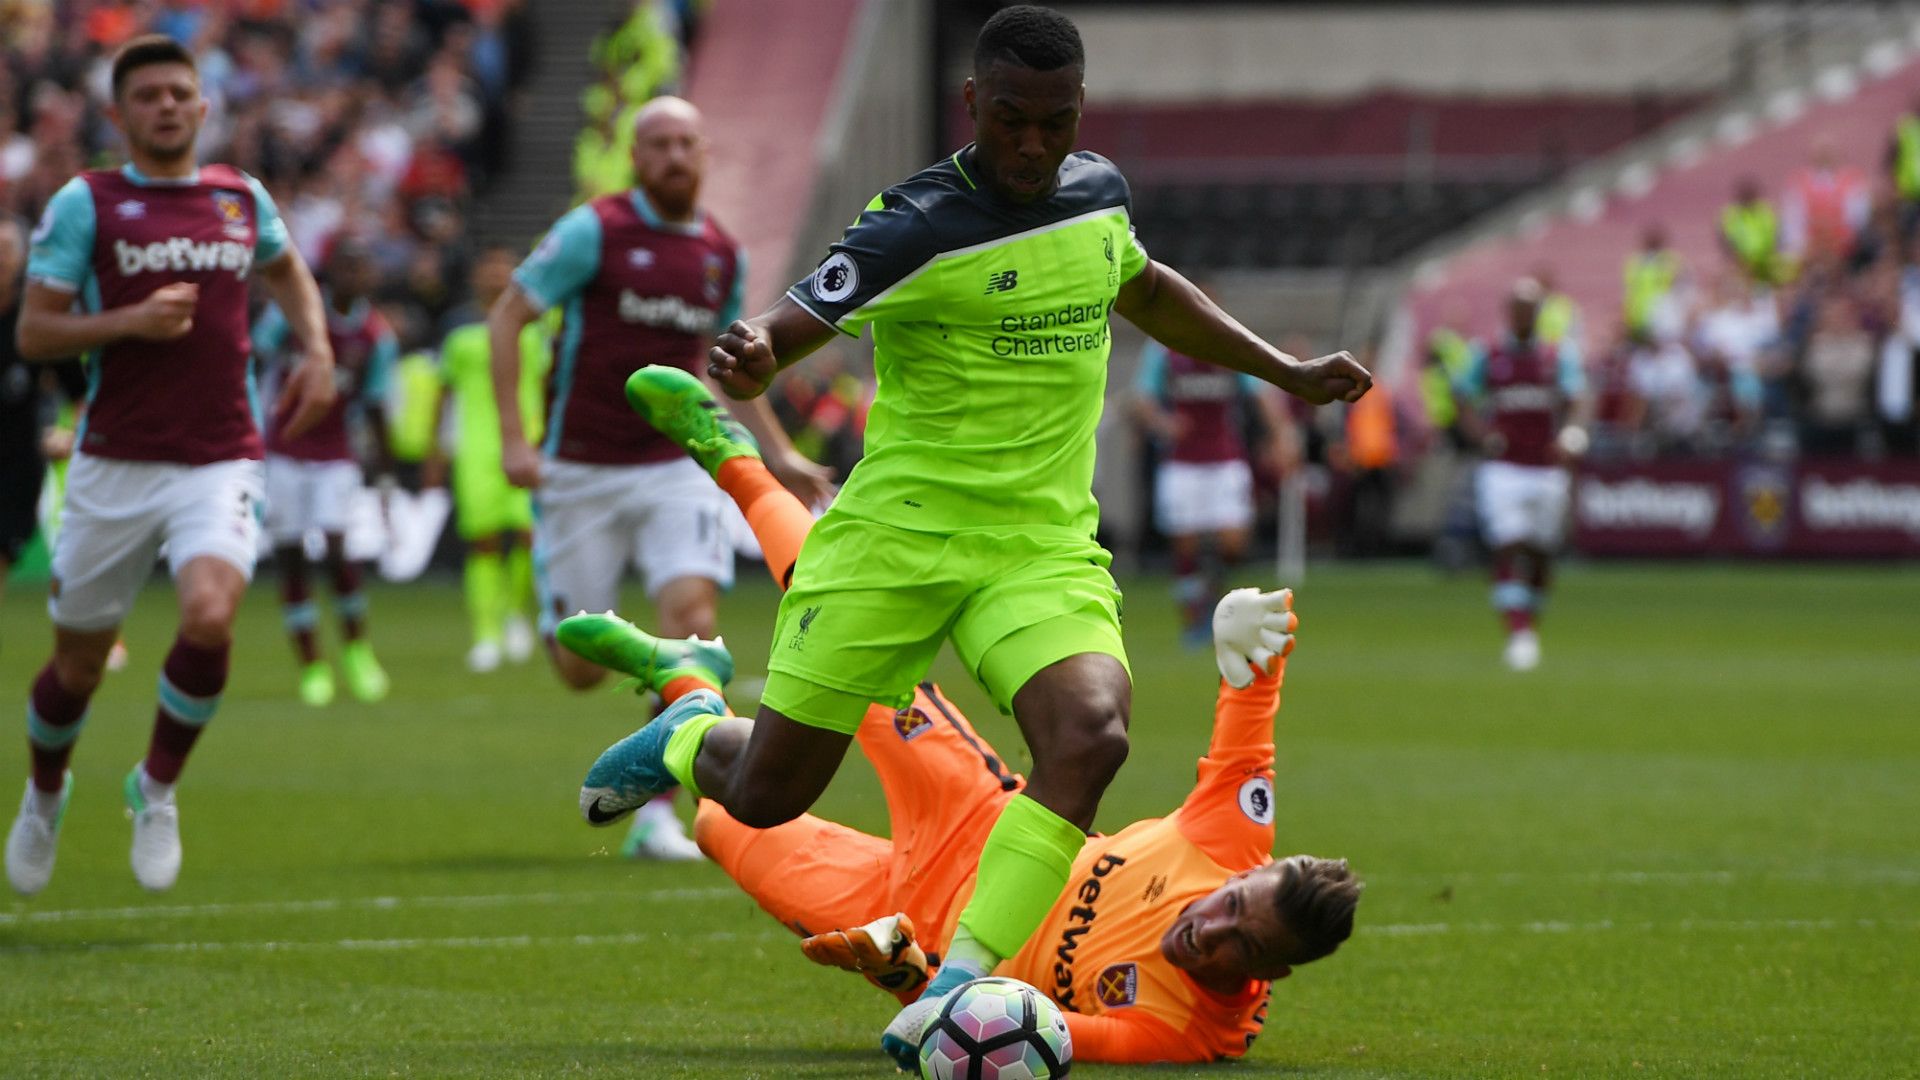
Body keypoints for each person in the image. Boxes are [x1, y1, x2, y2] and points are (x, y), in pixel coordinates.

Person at [586, 7, 1370, 1061]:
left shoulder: (1096, 197)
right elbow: (797, 317)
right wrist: (756, 352)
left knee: (1092, 733)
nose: (1033, 146)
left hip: (1038, 546)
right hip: (900, 539)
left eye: (1054, 121)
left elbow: (1143, 287)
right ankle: (684, 721)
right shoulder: (914, 222)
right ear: (972, 106)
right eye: (1011, 121)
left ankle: (956, 991)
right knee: (769, 795)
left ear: (1079, 109)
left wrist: (1284, 369)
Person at [563, 368, 1358, 1064]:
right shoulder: (1227, 842)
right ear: (1244, 877)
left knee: (727, 820)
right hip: (974, 817)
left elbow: (1038, 1032)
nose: (1210, 930)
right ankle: (730, 455)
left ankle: (688, 690)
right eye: (1229, 907)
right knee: (851, 624)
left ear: (1271, 973)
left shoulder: (1190, 1030)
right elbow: (1248, 733)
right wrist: (1255, 649)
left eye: (1241, 946)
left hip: (907, 921)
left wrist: (912, 980)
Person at [4, 36, 334, 896]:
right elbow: (35, 332)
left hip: (220, 456)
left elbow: (287, 269)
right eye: (147, 95)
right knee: (75, 667)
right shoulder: (89, 203)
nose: (166, 106)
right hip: (114, 462)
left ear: (203, 105)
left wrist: (318, 349)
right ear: (118, 115)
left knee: (211, 615)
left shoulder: (238, 198)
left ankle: (155, 787)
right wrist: (128, 321)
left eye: (179, 93)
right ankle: (44, 795)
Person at [487, 97, 830, 861]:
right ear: (637, 158)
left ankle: (656, 817)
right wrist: (515, 437)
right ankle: (648, 697)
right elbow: (509, 314)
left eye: (687, 143)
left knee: (693, 615)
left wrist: (778, 453)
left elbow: (730, 368)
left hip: (677, 465)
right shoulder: (595, 231)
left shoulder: (719, 251)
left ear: (705, 154)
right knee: (578, 668)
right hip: (579, 467)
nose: (676, 156)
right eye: (660, 145)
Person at [253, 237, 397, 707]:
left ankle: (356, 649)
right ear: (330, 272)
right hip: (284, 448)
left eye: (364, 267)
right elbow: (253, 357)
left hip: (336, 453)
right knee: (292, 555)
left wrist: (386, 473)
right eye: (348, 266)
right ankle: (312, 665)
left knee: (337, 549)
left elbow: (376, 406)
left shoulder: (376, 336)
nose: (357, 276)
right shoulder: (291, 316)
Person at [1132, 325, 1297, 644]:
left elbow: (1261, 393)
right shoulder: (1162, 350)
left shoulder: (1227, 343)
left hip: (1225, 460)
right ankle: (1194, 620)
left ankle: (1210, 596)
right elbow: (1141, 398)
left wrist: (1281, 436)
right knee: (1185, 544)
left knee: (1234, 543)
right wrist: (1163, 424)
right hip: (1182, 463)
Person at [1456, 280, 1587, 672]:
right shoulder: (1488, 354)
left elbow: (1577, 399)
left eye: (1531, 308)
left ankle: (1528, 627)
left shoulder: (1556, 355)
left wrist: (1572, 433)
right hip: (1504, 468)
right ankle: (1519, 633)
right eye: (1518, 308)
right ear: (1508, 312)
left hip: (1546, 467)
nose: (1524, 315)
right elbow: (1462, 395)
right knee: (1507, 545)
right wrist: (1481, 434)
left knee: (1541, 554)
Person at [429, 246, 543, 675]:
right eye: (488, 267)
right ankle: (486, 634)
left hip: (528, 443)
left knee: (529, 536)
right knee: (485, 542)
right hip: (476, 448)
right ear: (477, 277)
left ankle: (514, 612)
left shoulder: (534, 328)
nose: (496, 275)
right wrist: (435, 450)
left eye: (504, 267)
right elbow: (443, 394)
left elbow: (548, 386)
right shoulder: (458, 331)